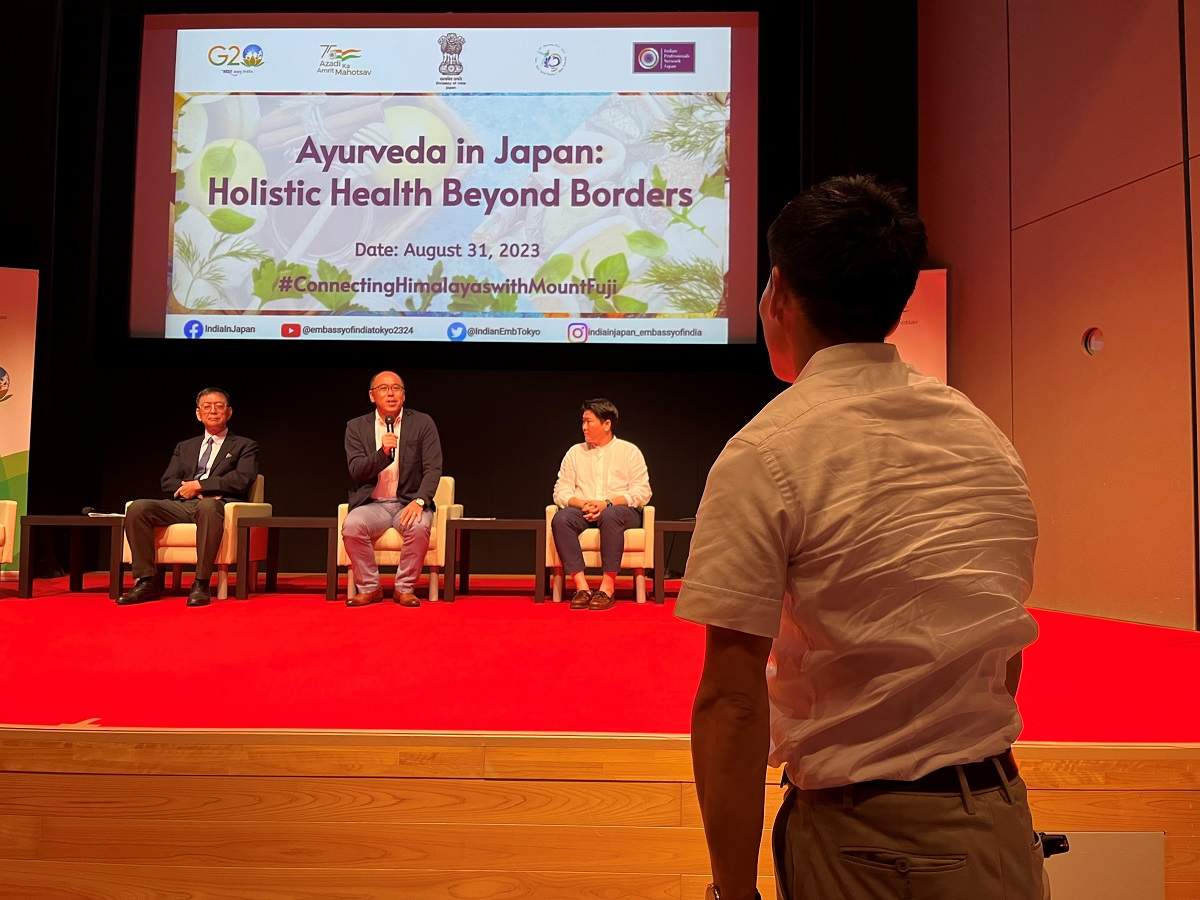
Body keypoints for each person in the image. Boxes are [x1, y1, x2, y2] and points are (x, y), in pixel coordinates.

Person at [675, 175, 1045, 900]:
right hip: (1001, 825)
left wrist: (732, 890)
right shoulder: (985, 437)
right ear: (898, 302)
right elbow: (999, 645)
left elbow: (732, 700)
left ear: (777, 293)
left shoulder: (766, 451)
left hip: (865, 843)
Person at [118, 387, 259, 608]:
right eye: (207, 407)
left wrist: (200, 486)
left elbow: (242, 478)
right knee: (138, 508)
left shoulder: (245, 445)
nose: (213, 411)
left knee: (208, 507)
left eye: (219, 406)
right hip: (185, 504)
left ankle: (201, 583)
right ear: (198, 413)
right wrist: (190, 490)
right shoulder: (185, 447)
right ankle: (146, 581)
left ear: (229, 412)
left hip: (219, 505)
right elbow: (168, 481)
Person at [342, 371, 443, 607]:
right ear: (372, 395)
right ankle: (370, 588)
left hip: (408, 502)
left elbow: (433, 468)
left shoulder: (422, 423)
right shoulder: (356, 427)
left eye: (396, 388)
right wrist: (382, 454)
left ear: (403, 395)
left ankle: (404, 588)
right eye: (384, 388)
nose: (390, 394)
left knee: (419, 526)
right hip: (372, 504)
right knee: (352, 526)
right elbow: (356, 470)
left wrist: (420, 501)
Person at [551, 399, 652, 610]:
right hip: (584, 510)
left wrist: (607, 503)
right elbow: (561, 491)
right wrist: (582, 503)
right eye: (582, 422)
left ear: (607, 424)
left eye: (589, 422)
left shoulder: (629, 451)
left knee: (610, 515)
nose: (584, 427)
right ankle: (582, 588)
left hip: (621, 512)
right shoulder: (574, 453)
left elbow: (642, 492)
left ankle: (607, 587)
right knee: (561, 518)